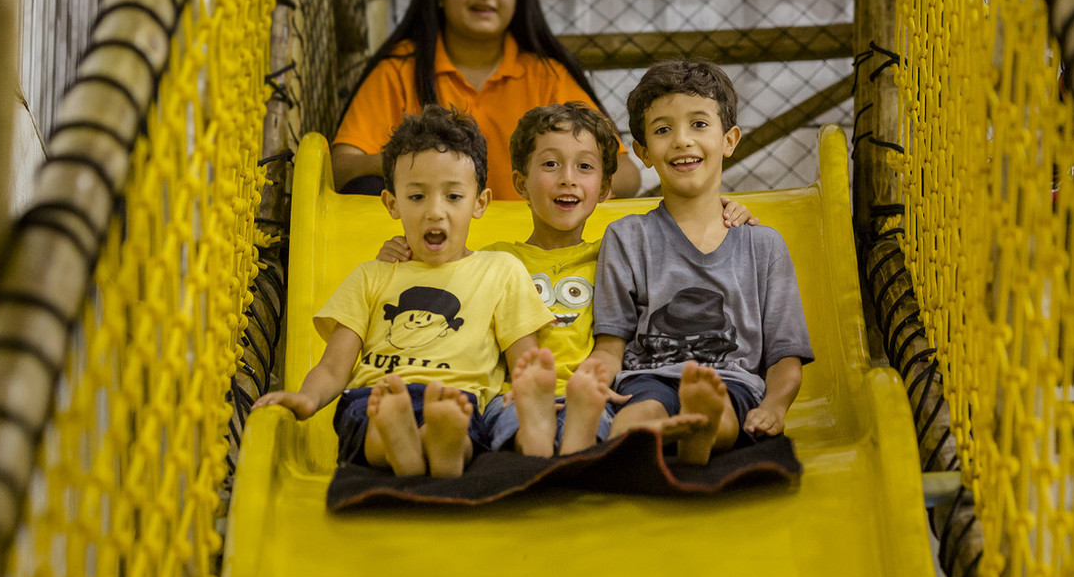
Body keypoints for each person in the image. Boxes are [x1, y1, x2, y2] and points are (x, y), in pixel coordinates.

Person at [377, 101, 756, 456]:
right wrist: (401, 253)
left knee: (614, 427)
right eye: (551, 165)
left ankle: (575, 440)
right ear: (521, 183)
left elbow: (682, 258)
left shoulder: (616, 254)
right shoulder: (491, 260)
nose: (567, 180)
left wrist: (725, 212)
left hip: (595, 395)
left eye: (585, 168)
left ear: (604, 189)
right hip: (513, 395)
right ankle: (553, 442)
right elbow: (437, 286)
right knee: (516, 427)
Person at [252, 105, 553, 478]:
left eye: (453, 197)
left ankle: (422, 449)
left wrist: (528, 394)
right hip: (377, 397)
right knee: (375, 426)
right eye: (416, 197)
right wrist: (307, 397)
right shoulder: (372, 276)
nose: (435, 212)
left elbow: (526, 356)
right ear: (392, 204)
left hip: (456, 401)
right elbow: (334, 366)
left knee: (457, 429)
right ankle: (406, 443)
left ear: (480, 203)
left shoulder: (500, 271)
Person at [590, 59, 814, 465]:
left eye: (699, 124)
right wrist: (586, 390)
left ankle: (700, 429)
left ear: (729, 140)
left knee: (723, 411)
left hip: (728, 383)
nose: (681, 141)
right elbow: (610, 346)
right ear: (641, 152)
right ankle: (671, 436)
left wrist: (775, 408)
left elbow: (785, 358)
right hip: (646, 379)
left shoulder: (763, 247)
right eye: (662, 130)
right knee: (635, 417)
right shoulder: (627, 238)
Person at [330, 0, 641, 201]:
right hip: (427, 251)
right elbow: (341, 166)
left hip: (531, 251)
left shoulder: (546, 76)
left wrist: (574, 190)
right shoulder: (399, 70)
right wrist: (407, 159)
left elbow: (626, 172)